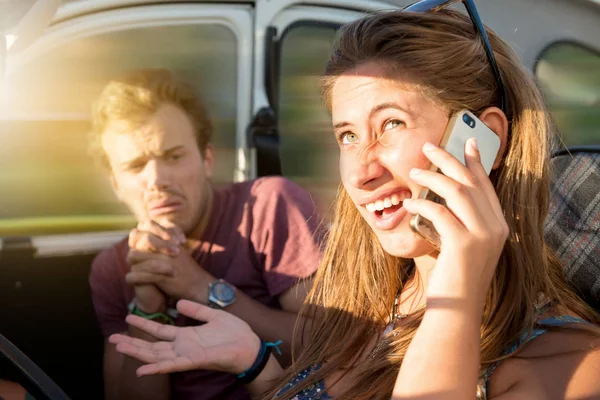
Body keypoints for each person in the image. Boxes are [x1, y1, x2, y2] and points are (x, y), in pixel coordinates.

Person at [107, 6, 600, 400]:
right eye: (347, 135)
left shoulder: (570, 367)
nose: (362, 173)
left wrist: (460, 283)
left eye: (391, 125)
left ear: (480, 141)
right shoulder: (377, 299)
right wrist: (256, 363)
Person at [87, 68, 324, 400]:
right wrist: (147, 305)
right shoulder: (113, 269)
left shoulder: (268, 207)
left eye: (173, 156)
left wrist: (200, 286)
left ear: (207, 159)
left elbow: (329, 345)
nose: (156, 179)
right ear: (116, 185)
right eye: (135, 166)